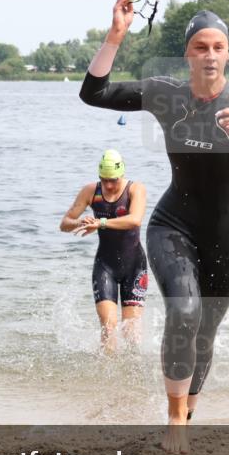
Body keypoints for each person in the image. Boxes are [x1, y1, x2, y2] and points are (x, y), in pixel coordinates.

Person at [80, 0, 229, 452]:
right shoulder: (166, 94)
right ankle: (174, 420)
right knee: (184, 311)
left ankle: (187, 410)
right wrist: (116, 35)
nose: (209, 55)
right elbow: (93, 93)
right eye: (200, 47)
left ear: (228, 52)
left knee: (205, 331)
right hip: (173, 225)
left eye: (217, 47)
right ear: (187, 53)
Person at [60, 150, 148, 353]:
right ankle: (106, 377)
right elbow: (64, 224)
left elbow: (134, 220)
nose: (108, 185)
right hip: (105, 266)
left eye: (113, 180)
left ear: (122, 174)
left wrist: (100, 223)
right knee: (108, 328)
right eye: (104, 180)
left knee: (131, 333)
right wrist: (80, 222)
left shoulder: (136, 189)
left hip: (135, 266)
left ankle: (132, 376)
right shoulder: (91, 191)